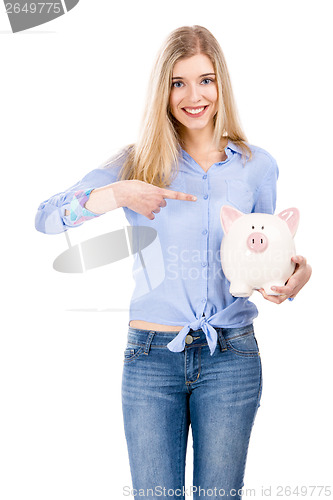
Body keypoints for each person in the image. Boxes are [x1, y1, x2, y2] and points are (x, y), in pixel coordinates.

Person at [35, 25, 312, 500]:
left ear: (220, 84)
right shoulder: (137, 161)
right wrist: (120, 192)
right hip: (150, 359)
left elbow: (272, 248)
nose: (193, 95)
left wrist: (298, 274)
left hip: (231, 356)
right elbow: (46, 217)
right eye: (178, 83)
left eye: (205, 80)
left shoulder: (257, 165)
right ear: (163, 91)